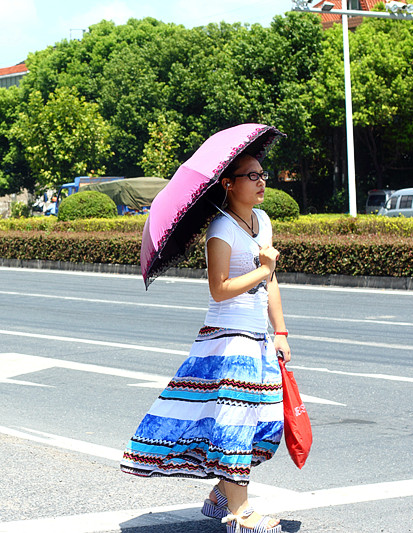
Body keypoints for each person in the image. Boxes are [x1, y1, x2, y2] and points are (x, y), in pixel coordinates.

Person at [121, 153, 291, 533]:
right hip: (229, 342)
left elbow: (271, 283)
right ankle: (240, 515)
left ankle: (220, 497)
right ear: (229, 183)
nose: (262, 181)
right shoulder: (221, 230)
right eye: (252, 176)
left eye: (263, 174)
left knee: (263, 425)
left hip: (259, 339)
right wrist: (264, 268)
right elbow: (220, 290)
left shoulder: (262, 221)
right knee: (234, 424)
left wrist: (280, 331)